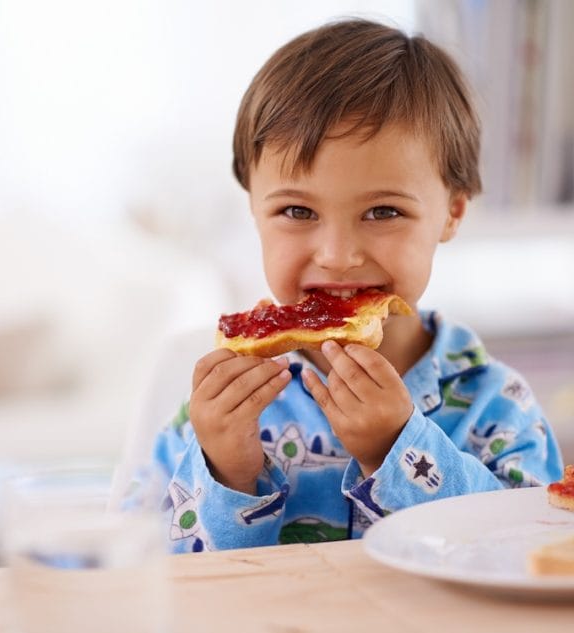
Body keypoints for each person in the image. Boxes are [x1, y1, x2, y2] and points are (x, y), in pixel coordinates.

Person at [151, 18, 564, 553]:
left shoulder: (497, 406)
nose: (338, 256)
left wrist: (401, 450)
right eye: (297, 210)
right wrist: (227, 474)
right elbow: (151, 585)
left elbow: (534, 556)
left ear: (453, 212)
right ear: (252, 207)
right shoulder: (212, 413)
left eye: (383, 211)